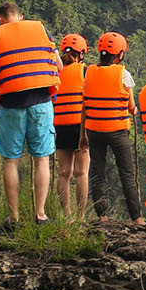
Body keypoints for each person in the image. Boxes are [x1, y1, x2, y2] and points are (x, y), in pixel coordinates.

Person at [0, 2, 61, 226]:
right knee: (42, 159)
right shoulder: (40, 28)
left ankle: (14, 217)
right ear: (21, 16)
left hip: (11, 106)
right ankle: (40, 214)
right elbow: (58, 66)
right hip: (41, 104)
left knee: (10, 161)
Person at [83, 31, 145, 224]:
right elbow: (131, 105)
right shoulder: (123, 74)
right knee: (127, 172)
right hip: (117, 131)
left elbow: (85, 104)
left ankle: (101, 215)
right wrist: (134, 110)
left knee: (97, 172)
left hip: (94, 130)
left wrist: (82, 134)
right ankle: (137, 217)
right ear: (120, 54)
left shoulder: (89, 72)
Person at [52, 34, 91, 219]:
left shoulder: (54, 71)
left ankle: (66, 216)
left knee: (63, 173)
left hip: (59, 125)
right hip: (80, 126)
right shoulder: (85, 70)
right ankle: (81, 217)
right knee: (81, 173)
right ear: (81, 53)